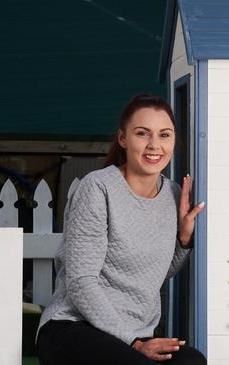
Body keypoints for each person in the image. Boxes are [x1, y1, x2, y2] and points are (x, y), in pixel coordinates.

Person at [37, 94, 207, 365]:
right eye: (143, 133)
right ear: (123, 139)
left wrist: (184, 238)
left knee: (192, 361)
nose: (155, 145)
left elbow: (155, 273)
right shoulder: (98, 188)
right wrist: (133, 343)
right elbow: (81, 282)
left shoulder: (173, 194)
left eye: (164, 135)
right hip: (74, 327)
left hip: (135, 336)